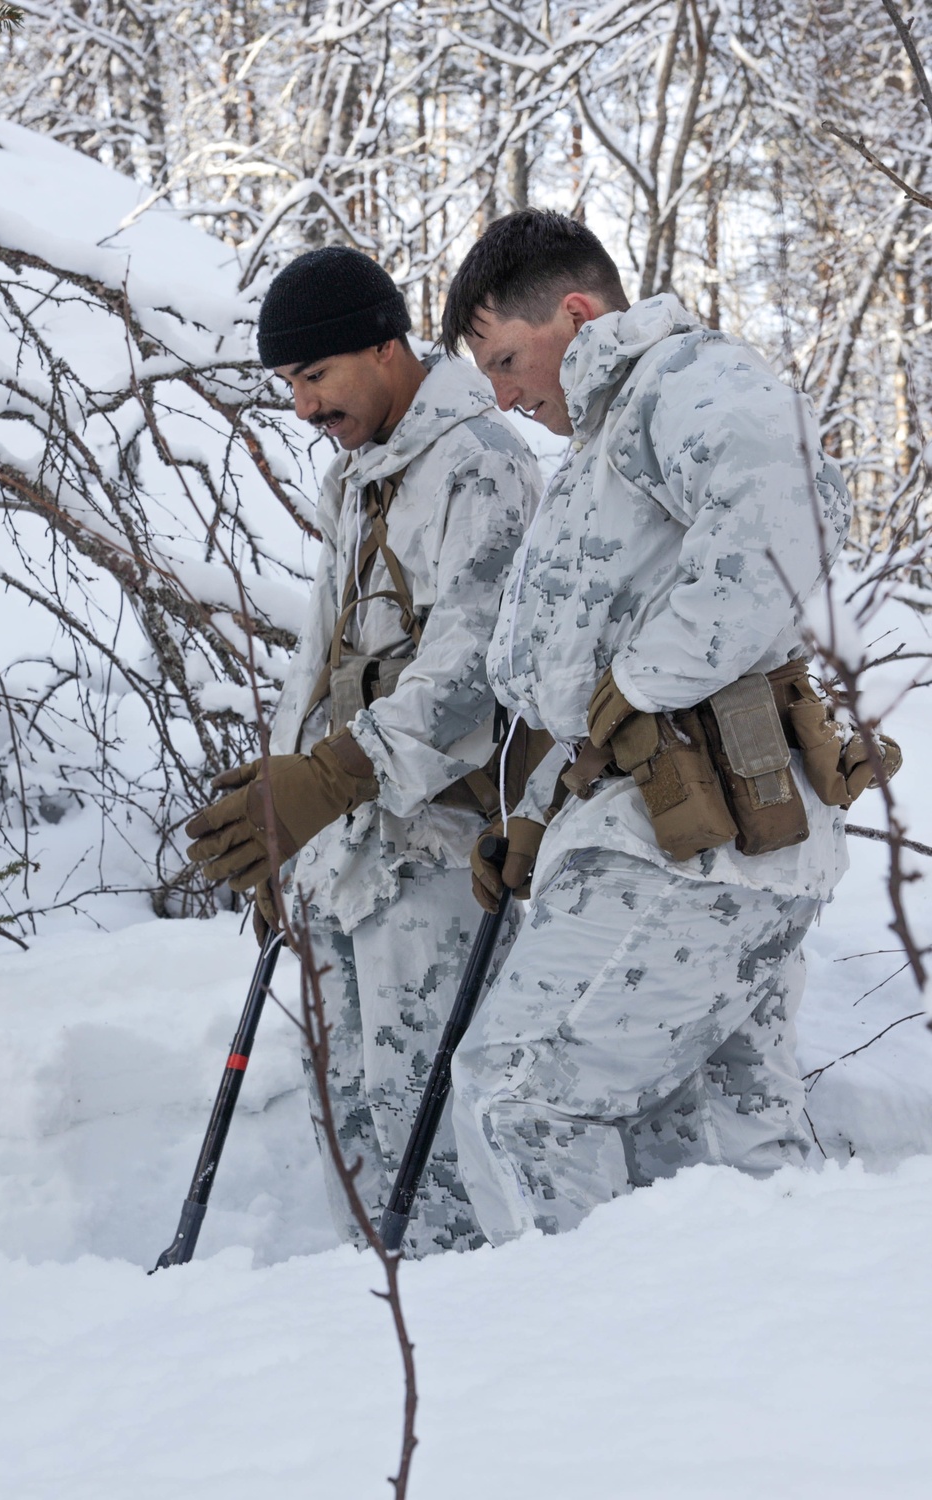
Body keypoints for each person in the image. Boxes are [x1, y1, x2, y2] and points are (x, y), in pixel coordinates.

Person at [437, 208, 859, 1244]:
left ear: (575, 315)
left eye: (504, 359)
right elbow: (591, 694)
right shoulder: (606, 439)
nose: (502, 395)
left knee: (517, 1097)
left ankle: (582, 1386)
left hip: (682, 855)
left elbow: (792, 506)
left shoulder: (671, 382)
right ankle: (778, 1373)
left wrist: (640, 674)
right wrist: (539, 815)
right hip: (697, 847)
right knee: (721, 1149)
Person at [185, 245, 540, 1255]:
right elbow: (326, 661)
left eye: (316, 377)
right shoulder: (361, 476)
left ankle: (460, 1331)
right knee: (349, 1117)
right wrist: (285, 812)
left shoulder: (481, 466)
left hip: (438, 852)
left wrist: (329, 780)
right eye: (289, 385)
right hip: (352, 851)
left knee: (428, 1118)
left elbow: (475, 672)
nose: (302, 408)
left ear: (386, 349)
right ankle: (369, 1323)